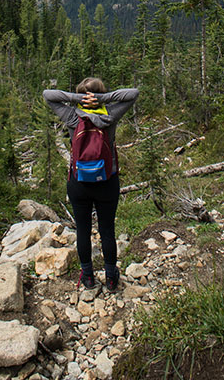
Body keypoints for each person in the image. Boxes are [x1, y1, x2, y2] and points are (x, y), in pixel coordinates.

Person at [43, 78, 139, 292]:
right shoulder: (110, 115)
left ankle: (87, 276)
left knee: (83, 231)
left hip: (79, 183)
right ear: (100, 94)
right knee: (107, 230)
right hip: (107, 181)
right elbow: (133, 93)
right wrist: (101, 99)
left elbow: (48, 95)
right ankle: (111, 278)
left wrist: (77, 98)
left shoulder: (71, 117)